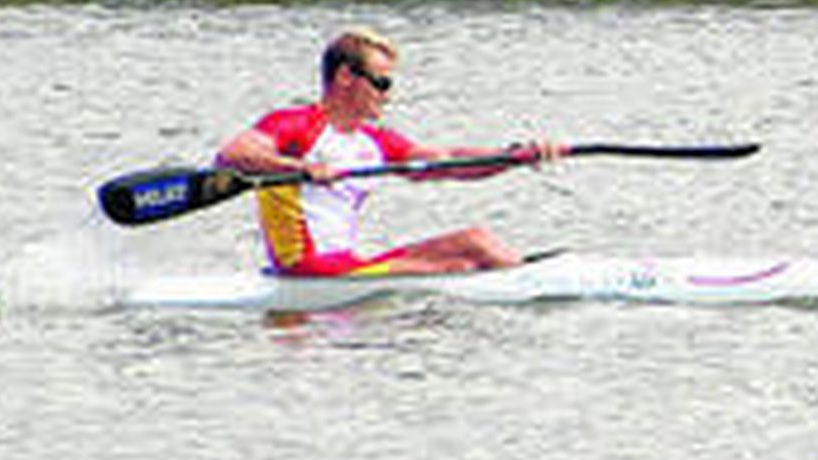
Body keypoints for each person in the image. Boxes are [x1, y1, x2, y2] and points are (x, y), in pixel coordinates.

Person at [214, 29, 563, 277]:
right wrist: (302, 168)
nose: (387, 95)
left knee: (466, 259)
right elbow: (233, 154)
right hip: (309, 274)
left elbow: (448, 162)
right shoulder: (295, 125)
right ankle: (528, 284)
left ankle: (515, 275)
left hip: (345, 267)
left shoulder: (376, 142)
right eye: (381, 83)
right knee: (474, 244)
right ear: (346, 77)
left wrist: (514, 156)